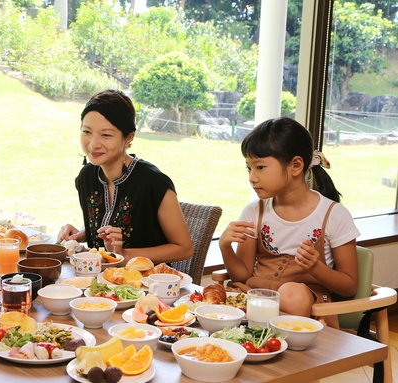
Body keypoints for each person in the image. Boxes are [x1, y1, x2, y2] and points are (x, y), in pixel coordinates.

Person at [218, 117, 360, 327]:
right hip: (255, 296)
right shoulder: (253, 211)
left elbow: (349, 286)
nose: (252, 177)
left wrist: (316, 267)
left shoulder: (334, 214)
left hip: (306, 310)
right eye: (249, 168)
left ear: (295, 165)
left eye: (260, 167)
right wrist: (225, 245)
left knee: (292, 294)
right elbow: (243, 274)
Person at [58, 89, 193, 264]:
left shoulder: (153, 183)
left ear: (128, 138)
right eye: (87, 132)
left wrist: (124, 254)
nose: (93, 144)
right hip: (96, 281)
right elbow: (108, 219)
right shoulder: (87, 177)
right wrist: (81, 234)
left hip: (144, 285)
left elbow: (184, 249)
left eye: (106, 135)